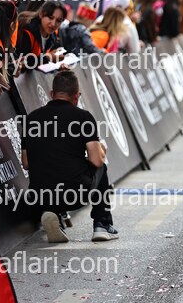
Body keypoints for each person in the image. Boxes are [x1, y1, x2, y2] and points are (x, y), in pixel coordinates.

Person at [20, 70, 118, 243]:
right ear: (77, 96)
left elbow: (26, 163)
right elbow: (96, 160)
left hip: (40, 196)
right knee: (101, 167)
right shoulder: (83, 117)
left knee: (49, 168)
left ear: (52, 94)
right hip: (74, 194)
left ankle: (53, 216)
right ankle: (102, 224)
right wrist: (101, 149)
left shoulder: (31, 119)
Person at [15, 0, 67, 70]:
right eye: (50, 17)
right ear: (41, 14)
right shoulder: (27, 32)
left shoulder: (53, 35)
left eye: (58, 20)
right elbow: (21, 62)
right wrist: (47, 58)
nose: (53, 24)